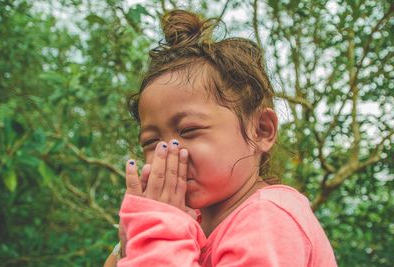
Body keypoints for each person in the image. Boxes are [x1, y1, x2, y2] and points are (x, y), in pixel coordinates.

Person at [104, 9, 337, 267]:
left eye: (189, 131)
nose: (168, 152)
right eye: (150, 142)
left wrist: (160, 236)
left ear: (261, 130)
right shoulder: (190, 224)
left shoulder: (267, 219)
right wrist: (133, 242)